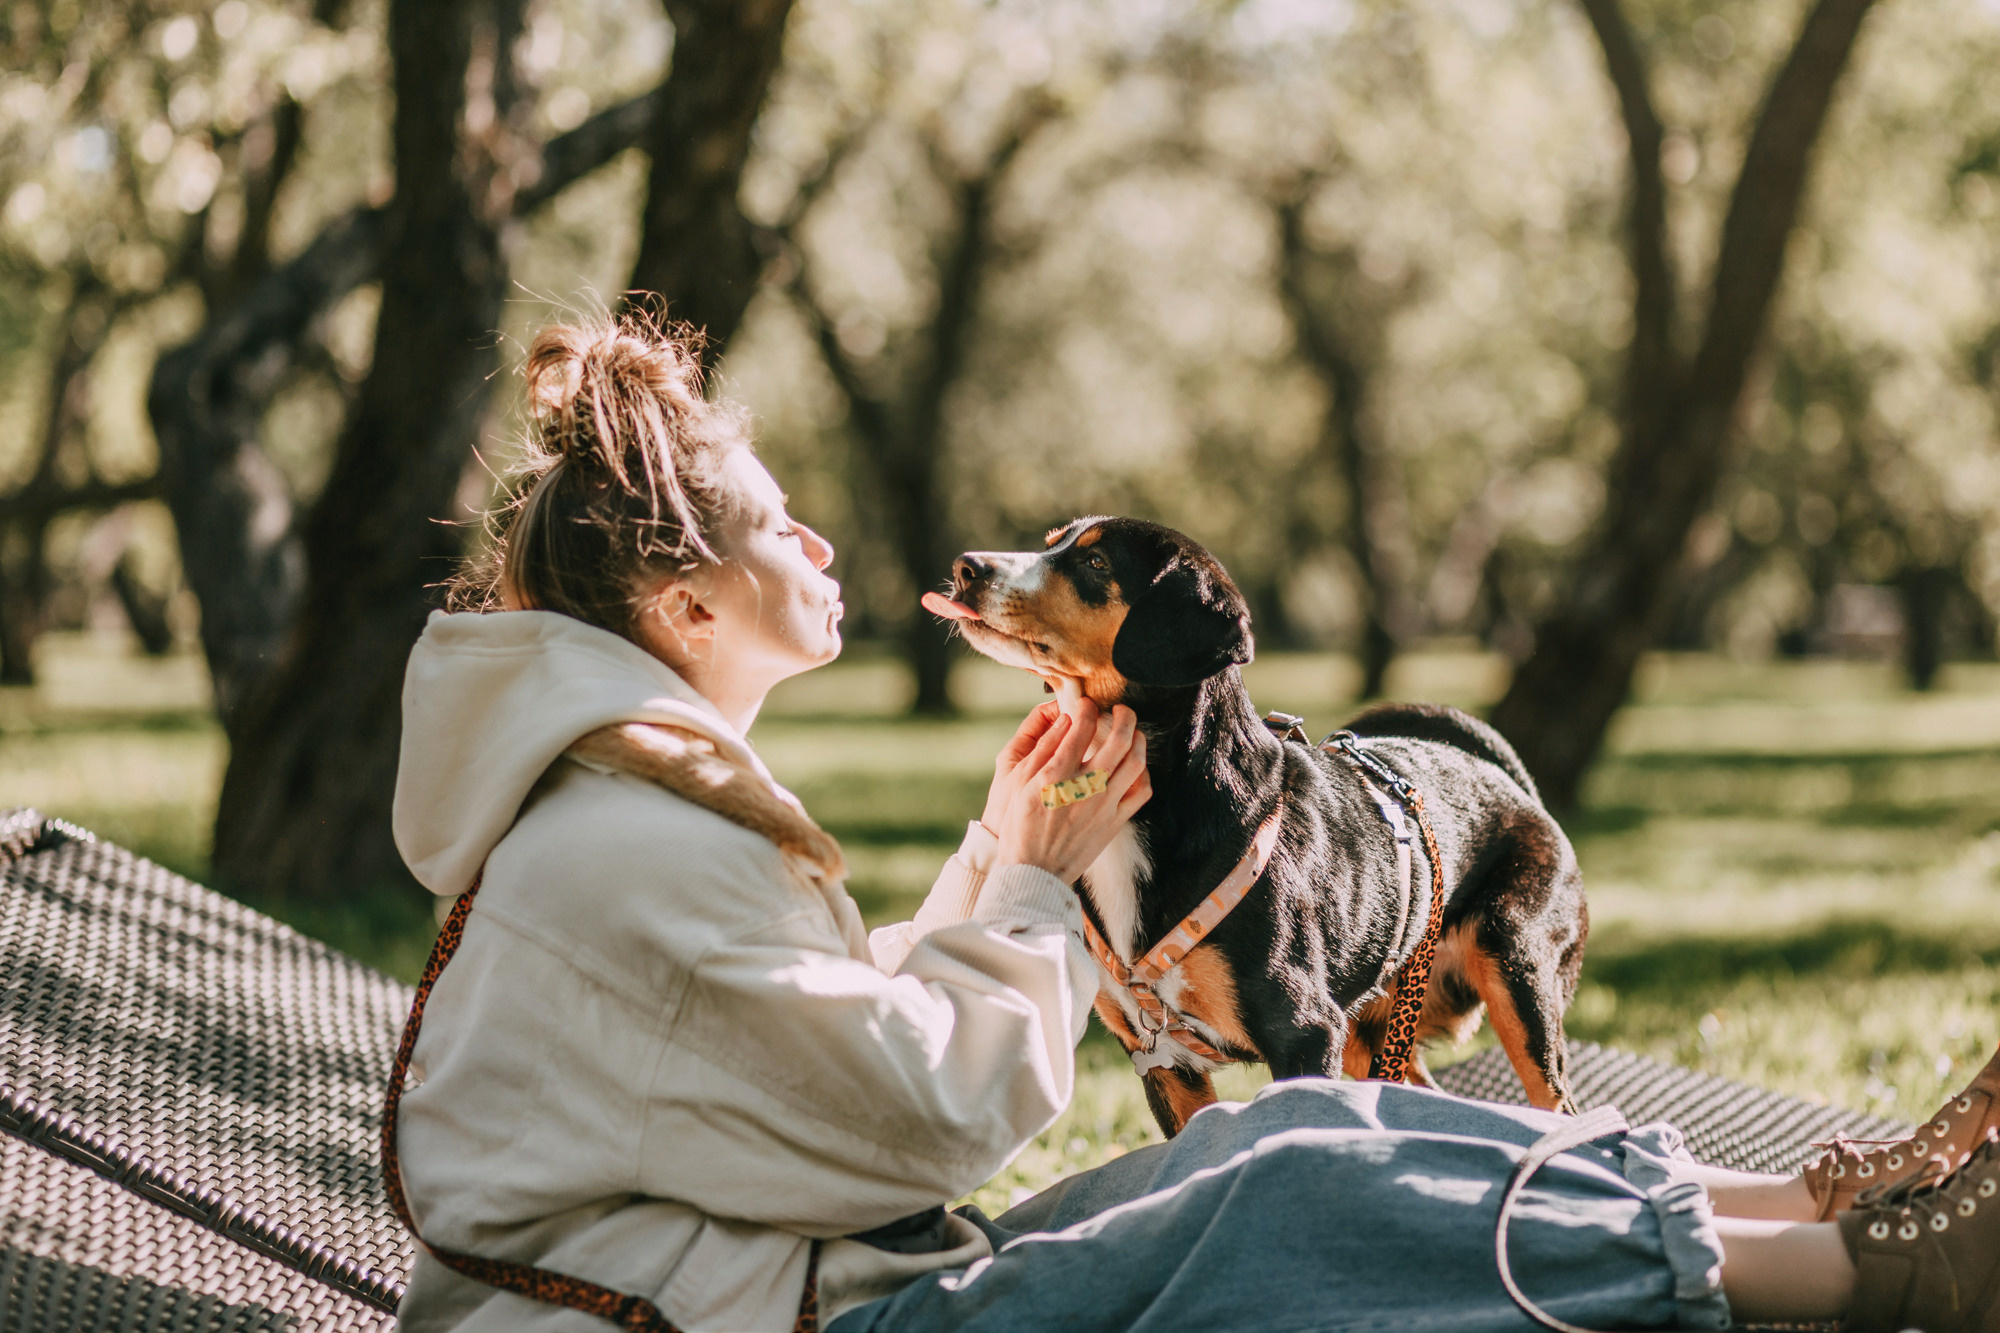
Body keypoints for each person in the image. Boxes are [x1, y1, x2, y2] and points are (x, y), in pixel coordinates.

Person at [388, 315, 2000, 1333]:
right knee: (1296, 1195)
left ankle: (1829, 1200)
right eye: (765, 518)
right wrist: (1020, 884)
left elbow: (780, 1060)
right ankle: (1869, 1277)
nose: (811, 529)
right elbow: (921, 1119)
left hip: (785, 1286)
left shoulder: (627, 807)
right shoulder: (625, 839)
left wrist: (1001, 853)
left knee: (1281, 1127)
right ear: (682, 603)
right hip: (789, 1318)